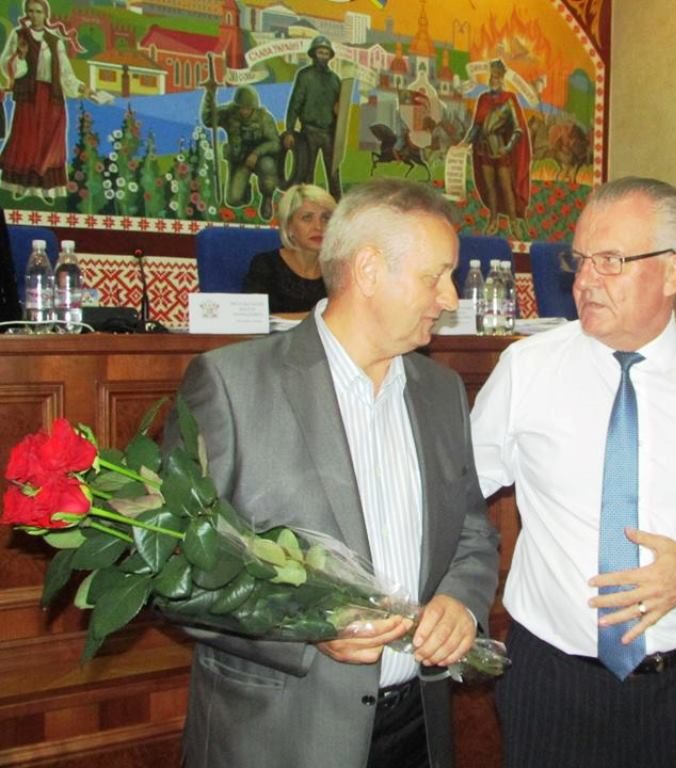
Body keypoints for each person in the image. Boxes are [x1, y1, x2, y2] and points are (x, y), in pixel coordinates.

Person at [165, 178, 500, 768]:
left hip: (418, 730)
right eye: (435, 276)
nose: (450, 298)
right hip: (281, 738)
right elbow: (175, 570)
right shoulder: (231, 385)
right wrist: (306, 627)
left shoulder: (442, 391)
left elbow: (472, 530)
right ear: (368, 270)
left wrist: (460, 602)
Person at [471, 177, 676, 767]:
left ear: (675, 271)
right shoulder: (526, 368)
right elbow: (456, 493)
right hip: (551, 685)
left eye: (611, 260)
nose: (584, 280)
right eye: (579, 259)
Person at [0, 0, 94, 202]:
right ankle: (21, 186)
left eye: (39, 11)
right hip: (29, 97)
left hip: (51, 98)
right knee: (27, 141)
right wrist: (21, 57)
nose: (35, 15)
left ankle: (47, 189)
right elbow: (7, 64)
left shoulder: (55, 41)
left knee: (50, 143)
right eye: (31, 11)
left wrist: (80, 87)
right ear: (27, 13)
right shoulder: (19, 35)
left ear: (45, 14)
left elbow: (65, 72)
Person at [462, 59, 531, 240]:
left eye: (498, 77)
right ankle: (493, 220)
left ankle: (513, 222)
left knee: (506, 187)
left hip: (500, 148)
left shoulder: (509, 99)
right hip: (483, 148)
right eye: (493, 76)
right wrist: (465, 142)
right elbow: (477, 126)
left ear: (502, 79)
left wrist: (507, 148)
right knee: (490, 187)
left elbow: (517, 129)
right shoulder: (483, 99)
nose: (495, 80)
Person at [242, 183, 334, 314]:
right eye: (307, 218)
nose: (318, 227)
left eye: (325, 218)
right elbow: (252, 317)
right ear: (288, 226)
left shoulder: (339, 269)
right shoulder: (266, 266)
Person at [201, 83, 281, 220]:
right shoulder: (228, 113)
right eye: (241, 107)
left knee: (268, 167)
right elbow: (208, 119)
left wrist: (256, 153)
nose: (244, 111)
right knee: (233, 200)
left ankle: (267, 198)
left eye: (248, 108)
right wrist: (210, 95)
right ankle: (245, 191)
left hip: (261, 159)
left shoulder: (264, 118)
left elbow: (275, 143)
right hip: (239, 159)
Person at [283, 36, 342, 200]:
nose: (323, 56)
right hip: (309, 132)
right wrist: (289, 131)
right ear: (314, 54)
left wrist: (338, 111)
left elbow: (340, 107)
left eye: (326, 53)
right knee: (307, 172)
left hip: (329, 132)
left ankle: (338, 204)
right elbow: (295, 104)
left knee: (333, 172)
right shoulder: (304, 76)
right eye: (320, 52)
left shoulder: (335, 80)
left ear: (330, 56)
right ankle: (309, 203)